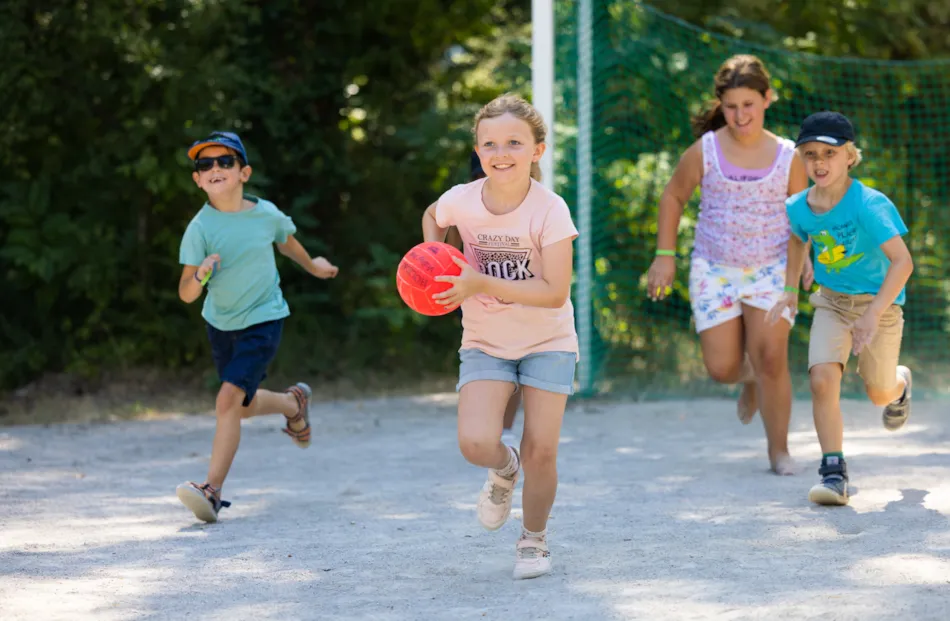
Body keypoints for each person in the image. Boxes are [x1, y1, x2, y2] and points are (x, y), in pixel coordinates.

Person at [421, 94, 578, 579]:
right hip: (486, 340)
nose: (501, 152)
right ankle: (504, 469)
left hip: (548, 342)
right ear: (478, 149)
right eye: (490, 143)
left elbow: (554, 293)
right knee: (474, 443)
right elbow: (434, 215)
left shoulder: (550, 210)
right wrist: (434, 259)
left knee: (542, 450)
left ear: (537, 149)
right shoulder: (462, 199)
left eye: (514, 141)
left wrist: (479, 281)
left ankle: (533, 540)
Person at [646, 54, 813, 475]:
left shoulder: (788, 156)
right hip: (715, 268)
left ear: (767, 99)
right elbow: (672, 198)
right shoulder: (705, 150)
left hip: (771, 268)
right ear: (721, 105)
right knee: (721, 369)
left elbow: (801, 218)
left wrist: (804, 261)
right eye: (731, 106)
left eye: (748, 105)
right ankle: (749, 379)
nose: (740, 115)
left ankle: (779, 451)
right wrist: (664, 257)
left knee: (772, 357)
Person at [176, 131, 339, 523]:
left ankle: (211, 491)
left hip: (264, 318)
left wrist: (313, 266)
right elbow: (185, 293)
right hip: (221, 325)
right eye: (204, 165)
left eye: (224, 162)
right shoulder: (200, 228)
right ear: (198, 179)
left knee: (226, 401)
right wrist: (199, 276)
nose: (214, 168)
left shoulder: (265, 213)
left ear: (243, 172)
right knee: (241, 406)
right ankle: (291, 403)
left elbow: (286, 242)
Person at [768, 111, 913, 506]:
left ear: (849, 156)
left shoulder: (868, 204)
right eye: (810, 154)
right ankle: (833, 473)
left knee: (879, 394)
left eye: (829, 154)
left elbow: (903, 263)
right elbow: (799, 239)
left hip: (878, 307)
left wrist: (871, 315)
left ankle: (900, 386)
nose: (819, 162)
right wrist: (789, 289)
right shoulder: (798, 206)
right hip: (831, 302)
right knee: (821, 379)